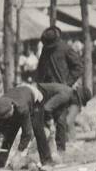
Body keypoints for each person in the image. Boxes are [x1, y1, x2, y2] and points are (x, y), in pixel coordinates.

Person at [34, 27, 83, 155]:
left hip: (61, 90)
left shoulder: (66, 49)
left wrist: (67, 83)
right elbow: (40, 68)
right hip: (46, 89)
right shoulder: (45, 49)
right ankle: (47, 149)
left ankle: (61, 150)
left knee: (60, 119)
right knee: (45, 119)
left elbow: (78, 67)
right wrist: (38, 84)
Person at [0, 82, 46, 171]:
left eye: (8, 116)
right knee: (9, 132)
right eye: (4, 117)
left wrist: (18, 153)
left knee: (37, 129)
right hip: (19, 94)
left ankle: (46, 161)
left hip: (35, 98)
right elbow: (1, 128)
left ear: (12, 107)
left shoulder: (22, 108)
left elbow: (27, 133)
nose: (6, 118)